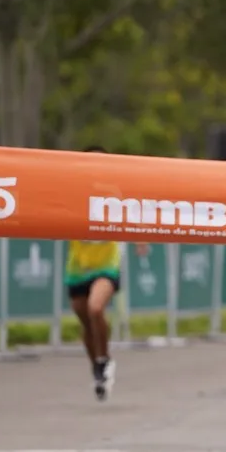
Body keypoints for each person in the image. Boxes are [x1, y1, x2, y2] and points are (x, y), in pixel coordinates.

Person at [64, 145, 147, 401]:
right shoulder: (73, 191)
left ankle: (104, 358)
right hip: (78, 267)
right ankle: (98, 368)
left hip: (106, 264)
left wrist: (139, 238)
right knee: (85, 321)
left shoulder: (113, 192)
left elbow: (131, 214)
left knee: (95, 308)